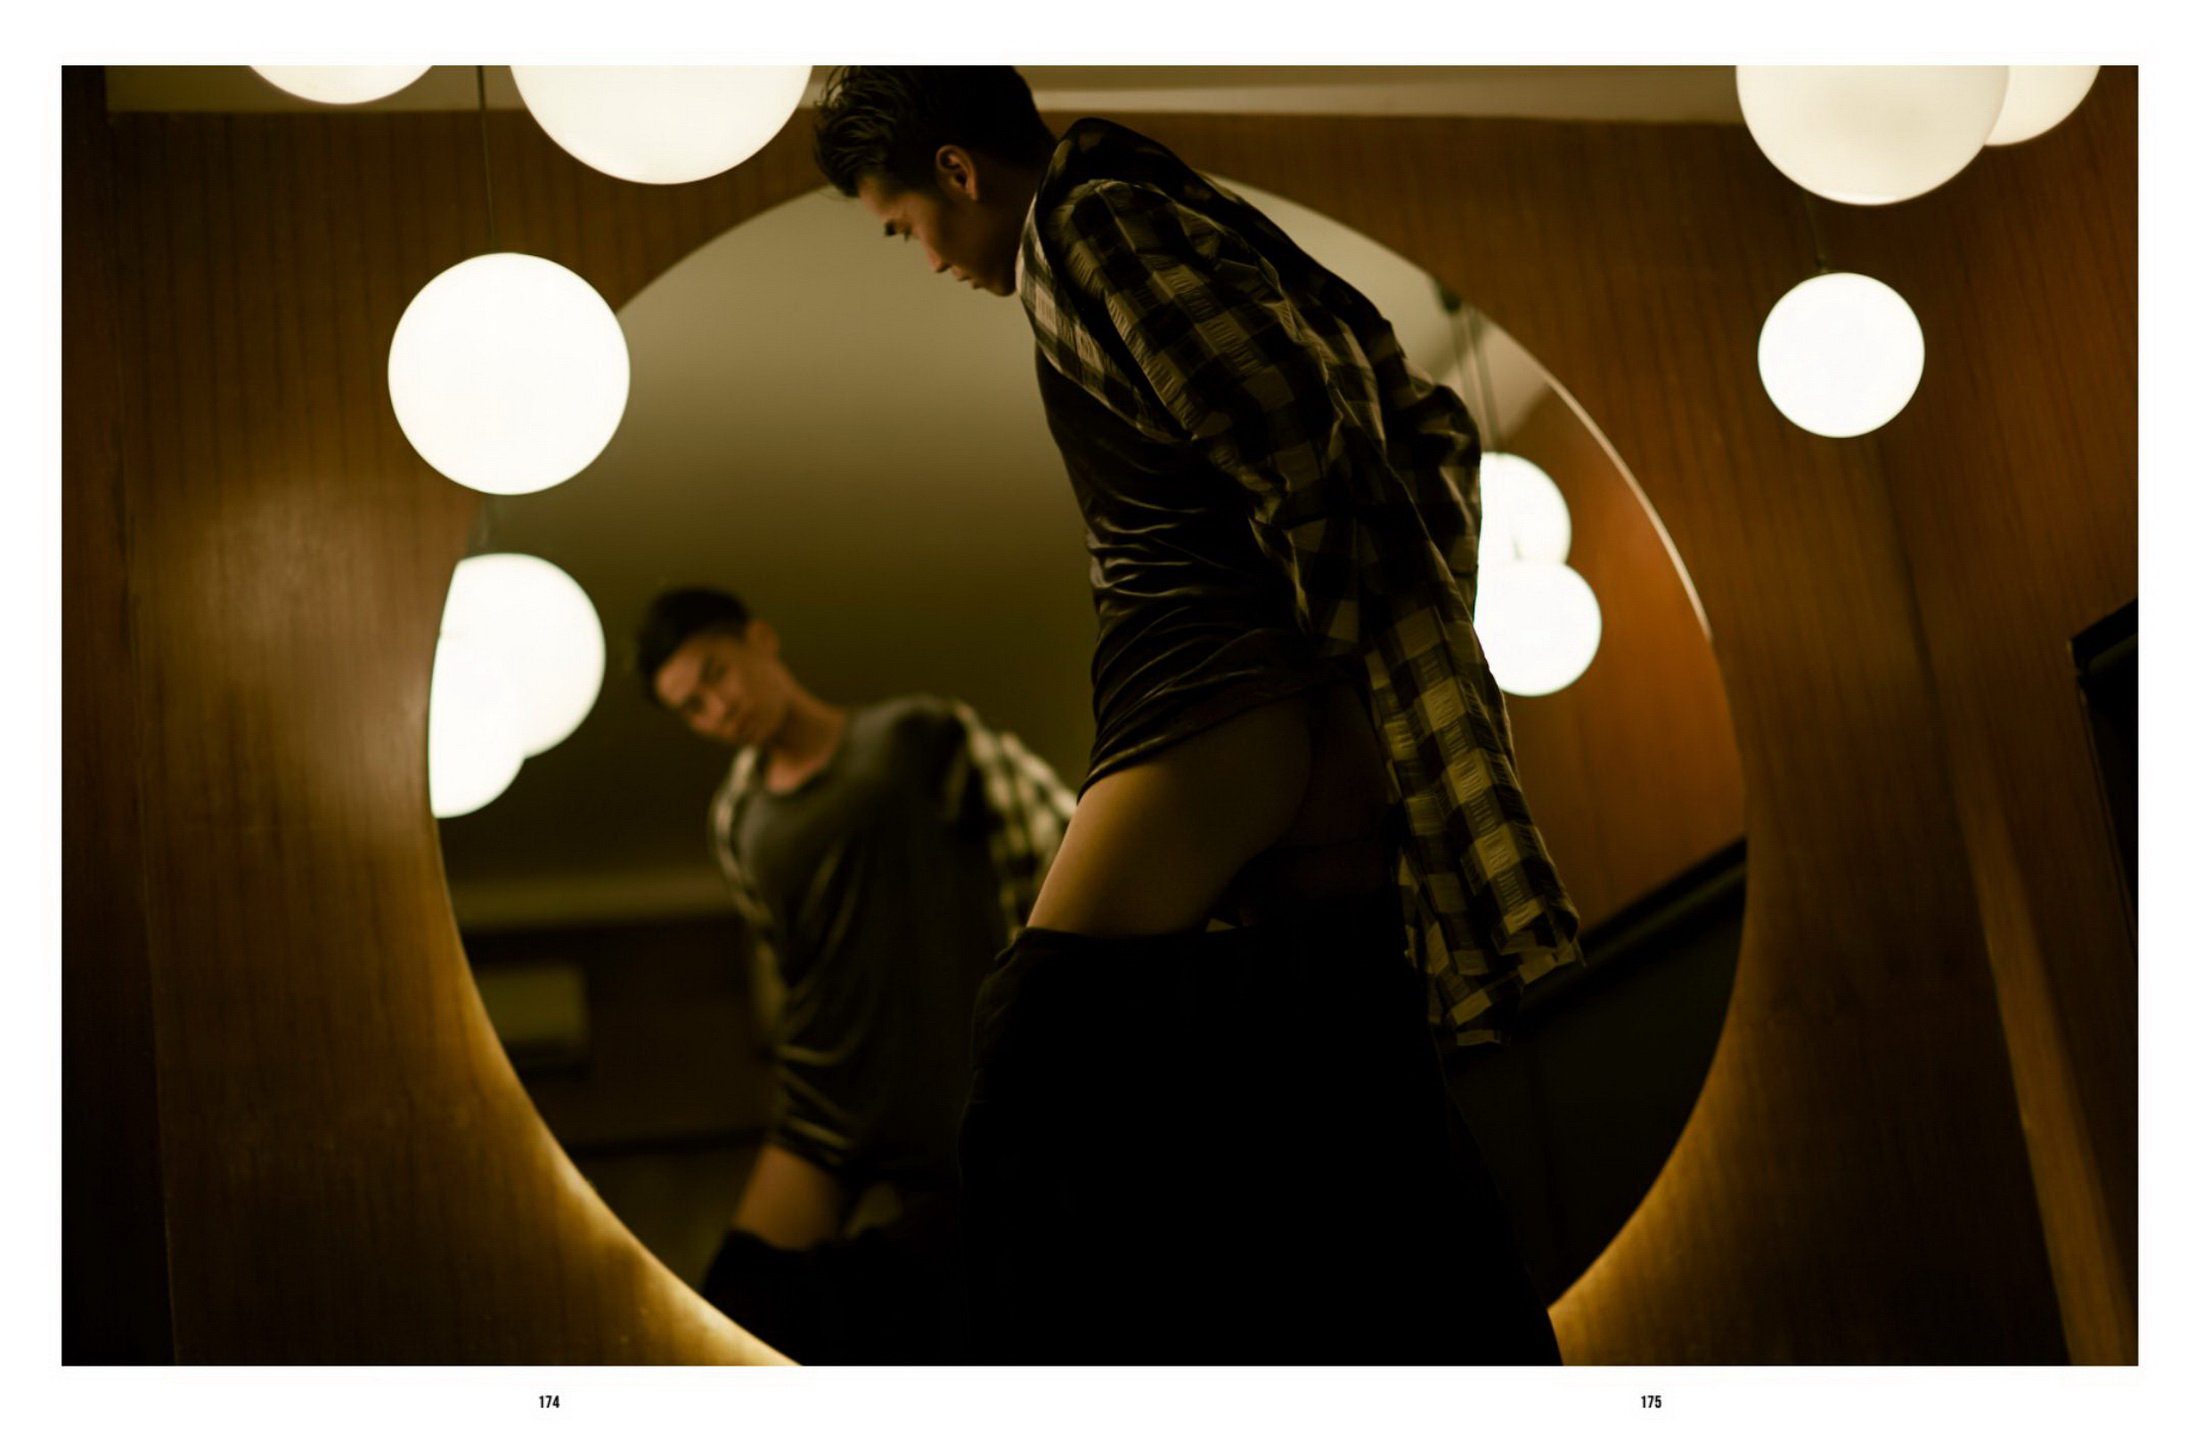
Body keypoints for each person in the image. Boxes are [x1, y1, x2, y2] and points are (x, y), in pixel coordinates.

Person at [812, 67, 1578, 1365]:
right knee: (1362, 1101)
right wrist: (1348, 672)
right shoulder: (1151, 214)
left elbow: (1282, 428)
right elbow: (1389, 428)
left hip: (1213, 688)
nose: (924, 257)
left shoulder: (1089, 221)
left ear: (955, 170)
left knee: (1034, 1050)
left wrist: (1326, 642)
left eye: (903, 226)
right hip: (1293, 719)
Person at [634, 586, 1073, 1362]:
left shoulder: (920, 733)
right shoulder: (736, 818)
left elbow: (1058, 845)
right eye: (692, 708)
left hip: (957, 1076)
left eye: (717, 673)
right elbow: (787, 962)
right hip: (826, 1088)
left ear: (760, 639)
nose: (718, 709)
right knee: (738, 1306)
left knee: (983, 1299)